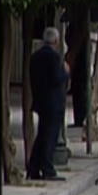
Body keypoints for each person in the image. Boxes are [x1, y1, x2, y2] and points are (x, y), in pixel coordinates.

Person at [28, 27, 69, 181]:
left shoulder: (35, 56)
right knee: (50, 137)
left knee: (42, 136)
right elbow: (56, 78)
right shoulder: (54, 57)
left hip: (40, 101)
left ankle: (33, 168)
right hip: (53, 103)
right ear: (56, 42)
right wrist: (66, 72)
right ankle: (47, 169)